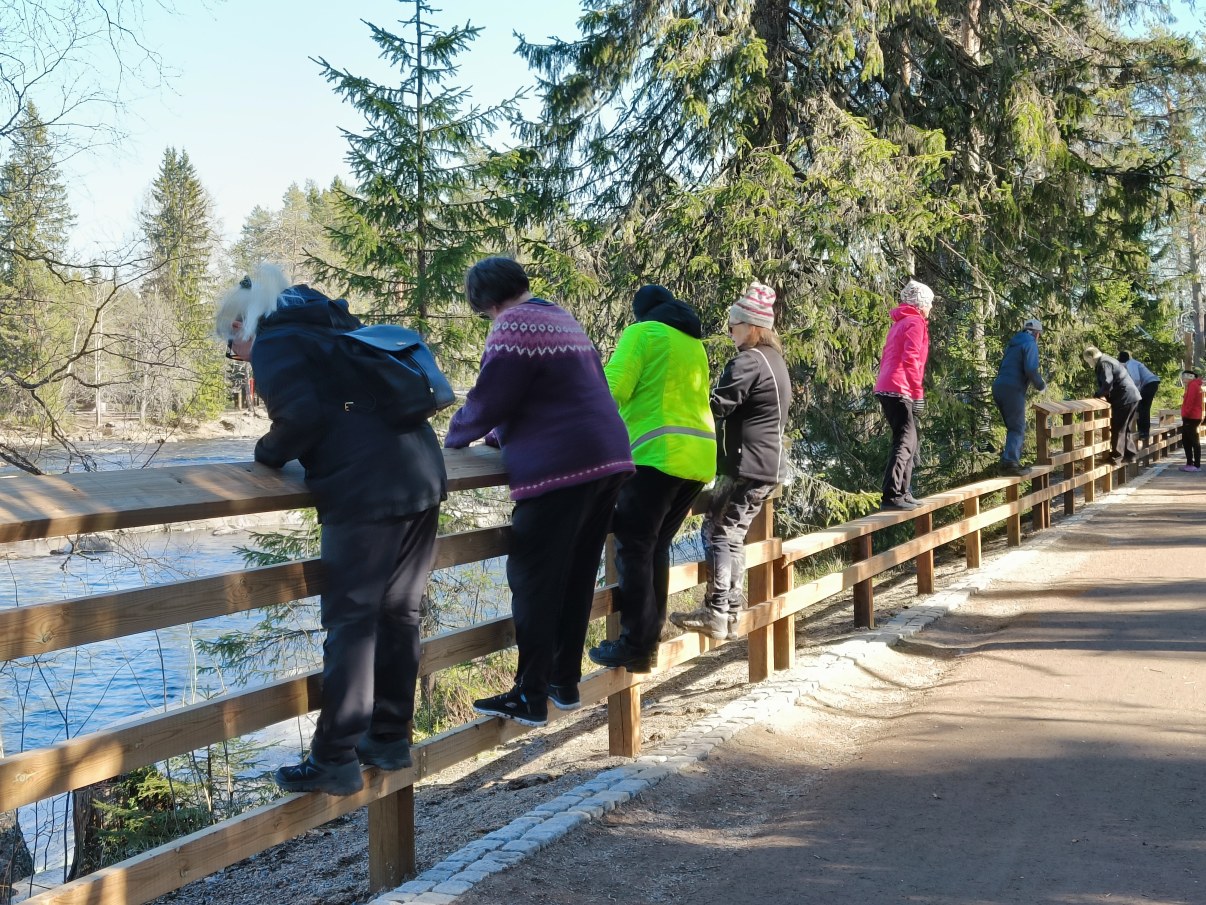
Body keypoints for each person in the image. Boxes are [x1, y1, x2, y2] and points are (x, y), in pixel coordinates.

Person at [215, 264, 447, 796]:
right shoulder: (334, 330)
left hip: (365, 491)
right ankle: (388, 738)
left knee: (352, 623)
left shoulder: (278, 343)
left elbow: (301, 419)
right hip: (420, 475)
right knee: (400, 614)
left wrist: (265, 455)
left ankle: (335, 757)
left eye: (232, 344)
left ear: (242, 326)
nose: (236, 356)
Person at [444, 257, 634, 728]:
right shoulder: (559, 316)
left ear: (483, 300)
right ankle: (563, 682)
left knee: (532, 578)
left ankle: (529, 695)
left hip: (564, 467)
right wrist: (500, 436)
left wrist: (454, 437)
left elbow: (492, 396)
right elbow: (553, 394)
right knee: (574, 575)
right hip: (606, 458)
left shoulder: (512, 324)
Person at [587, 285, 716, 673]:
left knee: (634, 546)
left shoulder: (643, 333)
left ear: (641, 313)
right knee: (654, 547)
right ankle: (646, 640)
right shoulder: (693, 343)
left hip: (656, 456)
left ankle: (638, 644)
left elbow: (611, 388)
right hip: (697, 460)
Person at [671, 281, 791, 642]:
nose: (730, 330)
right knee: (733, 535)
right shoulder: (774, 360)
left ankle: (717, 611)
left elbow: (718, 405)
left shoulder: (748, 361)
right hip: (767, 465)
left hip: (747, 465)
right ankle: (730, 612)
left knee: (719, 532)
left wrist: (680, 412)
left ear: (753, 326)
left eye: (735, 324)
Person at [873, 279, 935, 510]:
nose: (930, 308)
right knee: (905, 440)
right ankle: (892, 495)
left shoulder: (901, 323)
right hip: (899, 387)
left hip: (889, 385)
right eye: (929, 303)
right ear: (921, 304)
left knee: (909, 439)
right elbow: (911, 360)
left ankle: (902, 491)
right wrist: (917, 393)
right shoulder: (915, 323)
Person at [991, 318, 1046, 477]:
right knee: (1017, 428)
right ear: (1036, 334)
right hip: (1012, 389)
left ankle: (1007, 462)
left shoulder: (1012, 344)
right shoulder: (1030, 343)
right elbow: (1030, 368)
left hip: (999, 387)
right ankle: (1010, 464)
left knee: (1012, 427)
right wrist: (1041, 385)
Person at [1082, 345, 1141, 464]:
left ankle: (1116, 456)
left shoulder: (1104, 363)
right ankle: (1130, 455)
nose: (1089, 364)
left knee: (1118, 427)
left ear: (1091, 358)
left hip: (1124, 397)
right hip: (1132, 396)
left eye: (1087, 361)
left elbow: (1108, 383)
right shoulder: (1108, 359)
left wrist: (1098, 394)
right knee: (1126, 427)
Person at [1117, 351, 1162, 442]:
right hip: (1150, 384)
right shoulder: (1133, 363)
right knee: (1141, 407)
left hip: (1150, 384)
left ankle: (1144, 432)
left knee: (1143, 407)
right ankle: (1142, 430)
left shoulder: (1131, 364)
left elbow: (1136, 380)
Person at [1179, 368, 1203, 472]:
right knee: (1186, 440)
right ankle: (1190, 463)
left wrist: (1186, 413)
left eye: (1184, 377)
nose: (1183, 379)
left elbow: (1191, 401)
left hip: (1191, 417)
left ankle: (1195, 464)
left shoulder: (1193, 385)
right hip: (1193, 416)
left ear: (1189, 377)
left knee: (1193, 441)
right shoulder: (1194, 385)